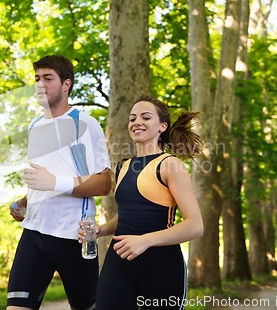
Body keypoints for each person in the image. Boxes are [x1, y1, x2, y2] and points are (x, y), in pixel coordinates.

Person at [79, 95, 204, 310]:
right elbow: (127, 215)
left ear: (162, 127)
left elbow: (195, 225)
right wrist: (100, 230)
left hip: (161, 266)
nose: (137, 122)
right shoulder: (123, 166)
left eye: (146, 117)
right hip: (119, 261)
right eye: (132, 118)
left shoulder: (169, 164)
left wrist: (144, 241)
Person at [7, 55, 111, 310]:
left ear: (66, 84)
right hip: (34, 233)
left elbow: (104, 183)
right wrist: (24, 202)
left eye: (48, 78)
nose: (40, 85)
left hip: (73, 237)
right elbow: (43, 181)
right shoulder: (34, 126)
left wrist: (54, 183)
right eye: (37, 79)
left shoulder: (84, 124)